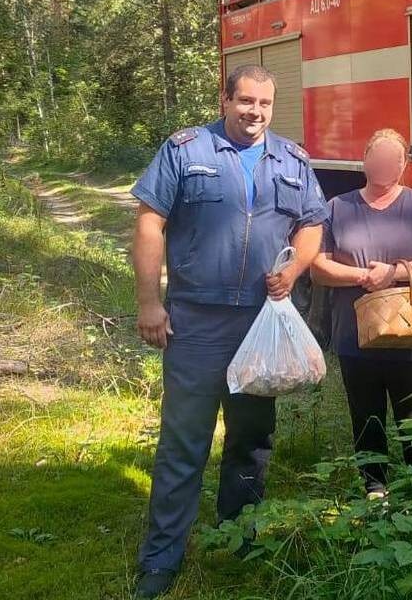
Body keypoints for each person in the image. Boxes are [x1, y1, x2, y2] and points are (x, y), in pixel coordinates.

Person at [130, 65, 328, 598]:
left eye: (265, 104)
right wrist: (149, 302)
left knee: (251, 437)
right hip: (195, 322)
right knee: (183, 442)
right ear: (225, 99)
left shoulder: (292, 160)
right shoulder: (185, 150)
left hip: (258, 324)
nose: (255, 113)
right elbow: (150, 222)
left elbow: (312, 222)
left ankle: (241, 537)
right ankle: (161, 559)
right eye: (245, 101)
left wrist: (294, 268)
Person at [312, 128, 412, 497]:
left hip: (411, 334)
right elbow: (318, 268)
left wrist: (393, 274)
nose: (385, 165)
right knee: (366, 415)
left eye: (394, 159)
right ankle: (375, 488)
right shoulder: (337, 208)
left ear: (404, 165)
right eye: (379, 157)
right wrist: (362, 275)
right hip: (354, 336)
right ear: (365, 160)